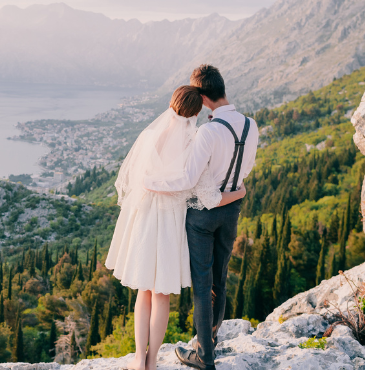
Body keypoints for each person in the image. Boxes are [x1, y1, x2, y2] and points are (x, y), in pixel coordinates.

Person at [105, 85, 246, 370]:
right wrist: (239, 193)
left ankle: (137, 357)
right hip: (170, 222)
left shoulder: (148, 136)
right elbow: (207, 194)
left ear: (172, 104)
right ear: (195, 113)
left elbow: (133, 179)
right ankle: (153, 360)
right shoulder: (194, 142)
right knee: (161, 294)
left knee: (143, 290)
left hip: (143, 218)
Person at [146, 65, 259, 370]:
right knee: (219, 280)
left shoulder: (208, 132)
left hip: (202, 215)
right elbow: (244, 170)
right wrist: (235, 192)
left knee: (201, 286)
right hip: (231, 209)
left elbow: (187, 179)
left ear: (202, 96)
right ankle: (208, 341)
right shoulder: (251, 125)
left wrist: (151, 183)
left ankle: (204, 356)